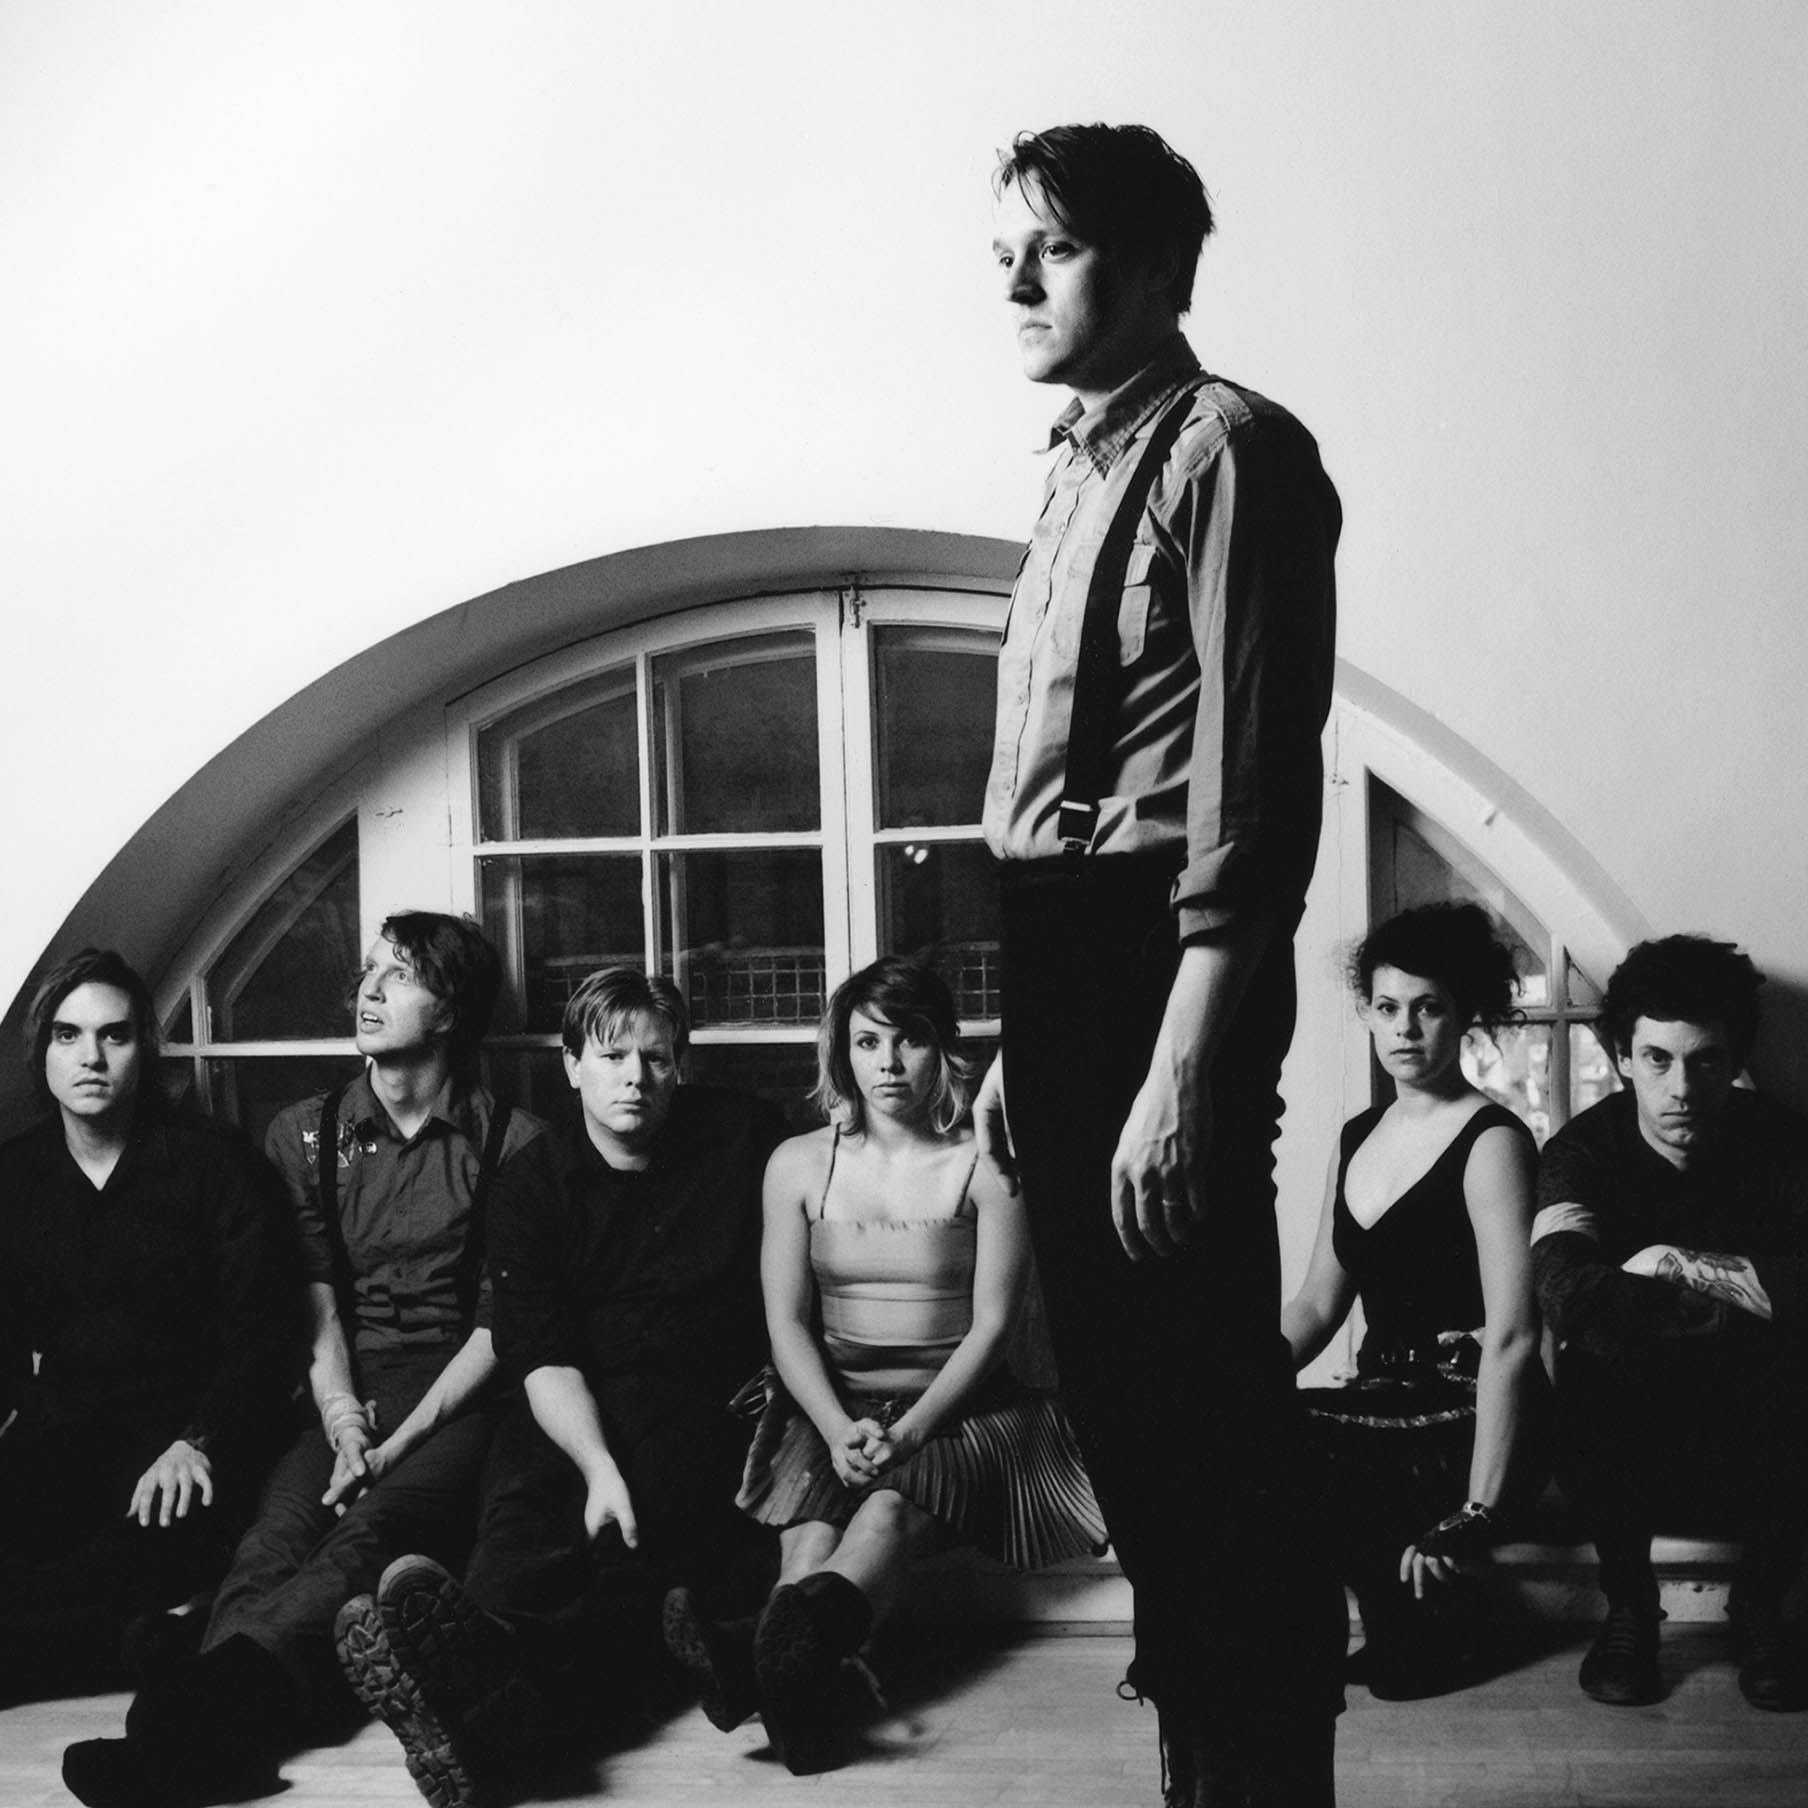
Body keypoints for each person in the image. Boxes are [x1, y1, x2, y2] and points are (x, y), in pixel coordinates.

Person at [976, 122, 1346, 1805]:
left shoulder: (1232, 452)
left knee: (1207, 1417)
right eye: (1003, 252)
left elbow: (1249, 796)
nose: (1013, 282)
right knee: (1124, 1413)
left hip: (1164, 971)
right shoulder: (1071, 464)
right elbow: (1063, 785)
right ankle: (1203, 1763)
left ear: (1151, 270)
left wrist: (1177, 1066)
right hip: (1064, 969)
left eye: (1049, 248)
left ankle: (1259, 1777)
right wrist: (1025, 1032)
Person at [64, 911, 545, 1807]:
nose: (368, 991)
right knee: (274, 1538)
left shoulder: (512, 1142)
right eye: (368, 971)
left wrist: (398, 1444)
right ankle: (209, 1740)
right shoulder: (311, 1132)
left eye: (398, 976)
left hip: (459, 1402)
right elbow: (314, 1298)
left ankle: (189, 1729)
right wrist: (342, 1418)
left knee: (368, 1534)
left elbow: (498, 1327)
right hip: (342, 1387)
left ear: (449, 1011)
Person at [332, 967, 787, 1808]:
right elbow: (540, 1354)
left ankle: (512, 1726)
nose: (635, 1078)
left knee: (628, 1554)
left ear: (680, 1065)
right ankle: (474, 1664)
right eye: (612, 1057)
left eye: (656, 1058)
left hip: (703, 1404)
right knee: (521, 1514)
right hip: (570, 1393)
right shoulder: (531, 1182)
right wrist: (595, 1465)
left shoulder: (744, 1137)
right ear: (572, 1065)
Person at [663, 956, 1107, 1774]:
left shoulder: (989, 1163)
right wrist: (836, 1428)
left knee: (884, 1517)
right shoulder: (798, 1164)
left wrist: (908, 1434)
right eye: (869, 1042)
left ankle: (747, 1656)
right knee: (808, 1537)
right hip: (832, 1406)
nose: (889, 1063)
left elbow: (994, 1329)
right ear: (843, 1052)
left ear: (944, 1049)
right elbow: (785, 1324)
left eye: (911, 1040)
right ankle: (798, 1702)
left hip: (961, 1411)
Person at [0, 948, 296, 1706]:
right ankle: (125, 1639)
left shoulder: (216, 1166)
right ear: (41, 1053)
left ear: (145, 1049)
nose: (90, 1057)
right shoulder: (15, 1176)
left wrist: (199, 1441)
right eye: (67, 1035)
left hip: (182, 1445)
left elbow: (267, 1337)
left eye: (115, 1035)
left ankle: (136, 1637)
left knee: (125, 1565)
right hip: (65, 1433)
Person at [1531, 934, 1808, 1711]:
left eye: (1705, 1061)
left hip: (1759, 1430)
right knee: (1585, 1370)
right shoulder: (1582, 1151)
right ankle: (1630, 1608)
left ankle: (1758, 1608)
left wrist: (1664, 1261)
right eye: (1657, 1059)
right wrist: (1748, 1304)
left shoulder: (1783, 1144)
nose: (1681, 1088)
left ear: (1736, 1060)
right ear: (1623, 1057)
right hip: (1633, 1430)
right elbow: (1564, 1291)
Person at [1282, 903, 1541, 1698]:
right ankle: (1391, 1615)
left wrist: (1481, 1507)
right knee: (1249, 1430)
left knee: (1319, 1446)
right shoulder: (1357, 1137)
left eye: (1428, 1007)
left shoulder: (1493, 1142)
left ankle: (1442, 1619)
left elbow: (1514, 1337)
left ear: (1464, 1016)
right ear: (1367, 1013)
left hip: (1468, 1406)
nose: (1405, 1028)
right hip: (1382, 1399)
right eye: (1388, 1007)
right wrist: (1233, 1382)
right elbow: (1316, 1305)